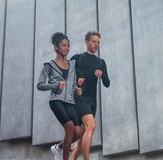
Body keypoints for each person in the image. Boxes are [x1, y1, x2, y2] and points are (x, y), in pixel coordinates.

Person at [37, 32, 84, 160]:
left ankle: (58, 148)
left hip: (70, 101)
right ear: (56, 47)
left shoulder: (72, 65)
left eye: (68, 46)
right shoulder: (49, 66)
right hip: (56, 100)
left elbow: (72, 83)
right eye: (64, 45)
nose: (67, 48)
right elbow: (40, 85)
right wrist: (55, 86)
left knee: (80, 131)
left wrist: (77, 89)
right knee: (69, 128)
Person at [70, 31, 110, 160]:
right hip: (79, 98)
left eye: (98, 42)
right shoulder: (77, 58)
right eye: (93, 41)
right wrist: (77, 82)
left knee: (85, 134)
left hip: (93, 101)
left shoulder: (101, 62)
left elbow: (107, 83)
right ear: (87, 42)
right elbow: (67, 77)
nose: (96, 44)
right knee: (91, 126)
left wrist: (102, 74)